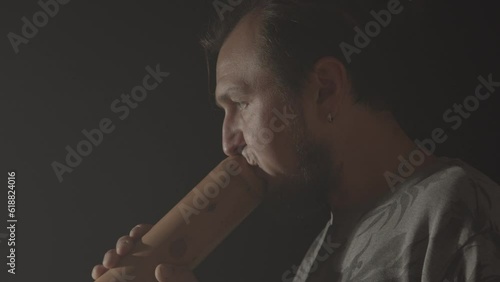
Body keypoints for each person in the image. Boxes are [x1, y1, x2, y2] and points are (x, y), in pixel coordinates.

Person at [92, 0, 500, 281]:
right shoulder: (323, 250)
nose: (228, 142)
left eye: (239, 103)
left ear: (324, 88)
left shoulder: (455, 212)